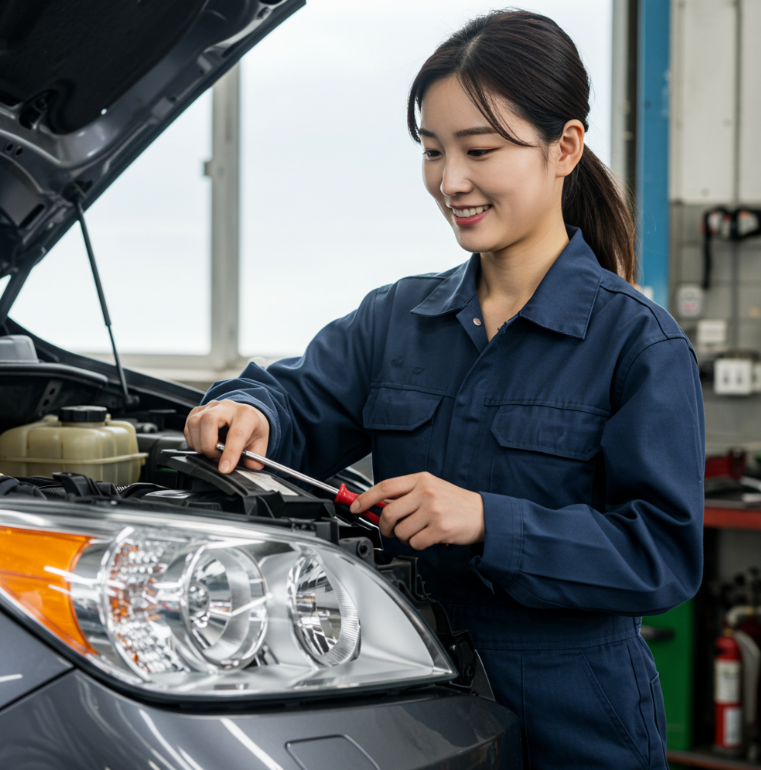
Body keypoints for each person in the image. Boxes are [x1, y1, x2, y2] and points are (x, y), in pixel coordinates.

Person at [184, 10, 704, 769]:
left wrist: (489, 521)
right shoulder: (395, 319)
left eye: (479, 150)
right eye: (432, 151)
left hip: (575, 713)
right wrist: (245, 407)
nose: (448, 181)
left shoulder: (636, 343)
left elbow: (661, 555)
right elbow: (292, 401)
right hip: (404, 684)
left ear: (564, 148)